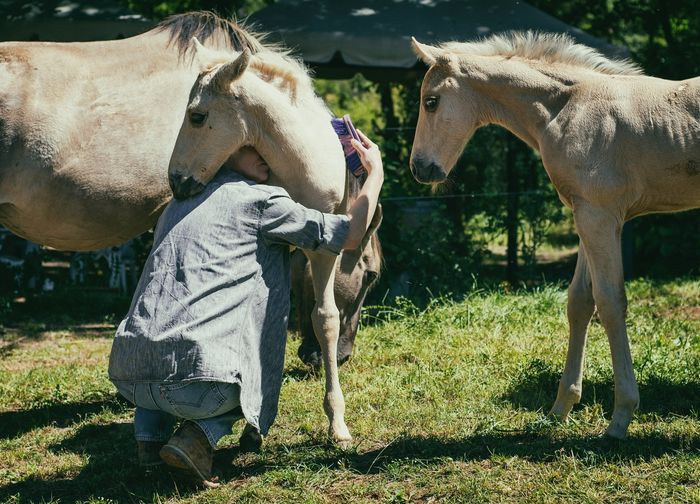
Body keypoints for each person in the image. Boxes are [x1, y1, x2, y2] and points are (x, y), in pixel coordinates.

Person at [108, 131, 383, 484]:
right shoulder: (265, 203)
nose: (265, 150)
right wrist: (374, 174)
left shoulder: (178, 203)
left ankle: (149, 441)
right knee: (257, 375)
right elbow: (349, 235)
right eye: (250, 143)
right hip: (197, 386)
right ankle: (198, 438)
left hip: (129, 376)